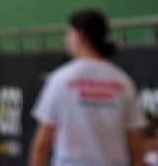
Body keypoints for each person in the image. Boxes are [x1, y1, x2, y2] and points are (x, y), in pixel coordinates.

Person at [29, 9, 147, 166]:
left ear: (80, 36)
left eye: (68, 34)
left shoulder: (60, 79)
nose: (66, 40)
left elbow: (42, 142)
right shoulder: (122, 82)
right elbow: (135, 144)